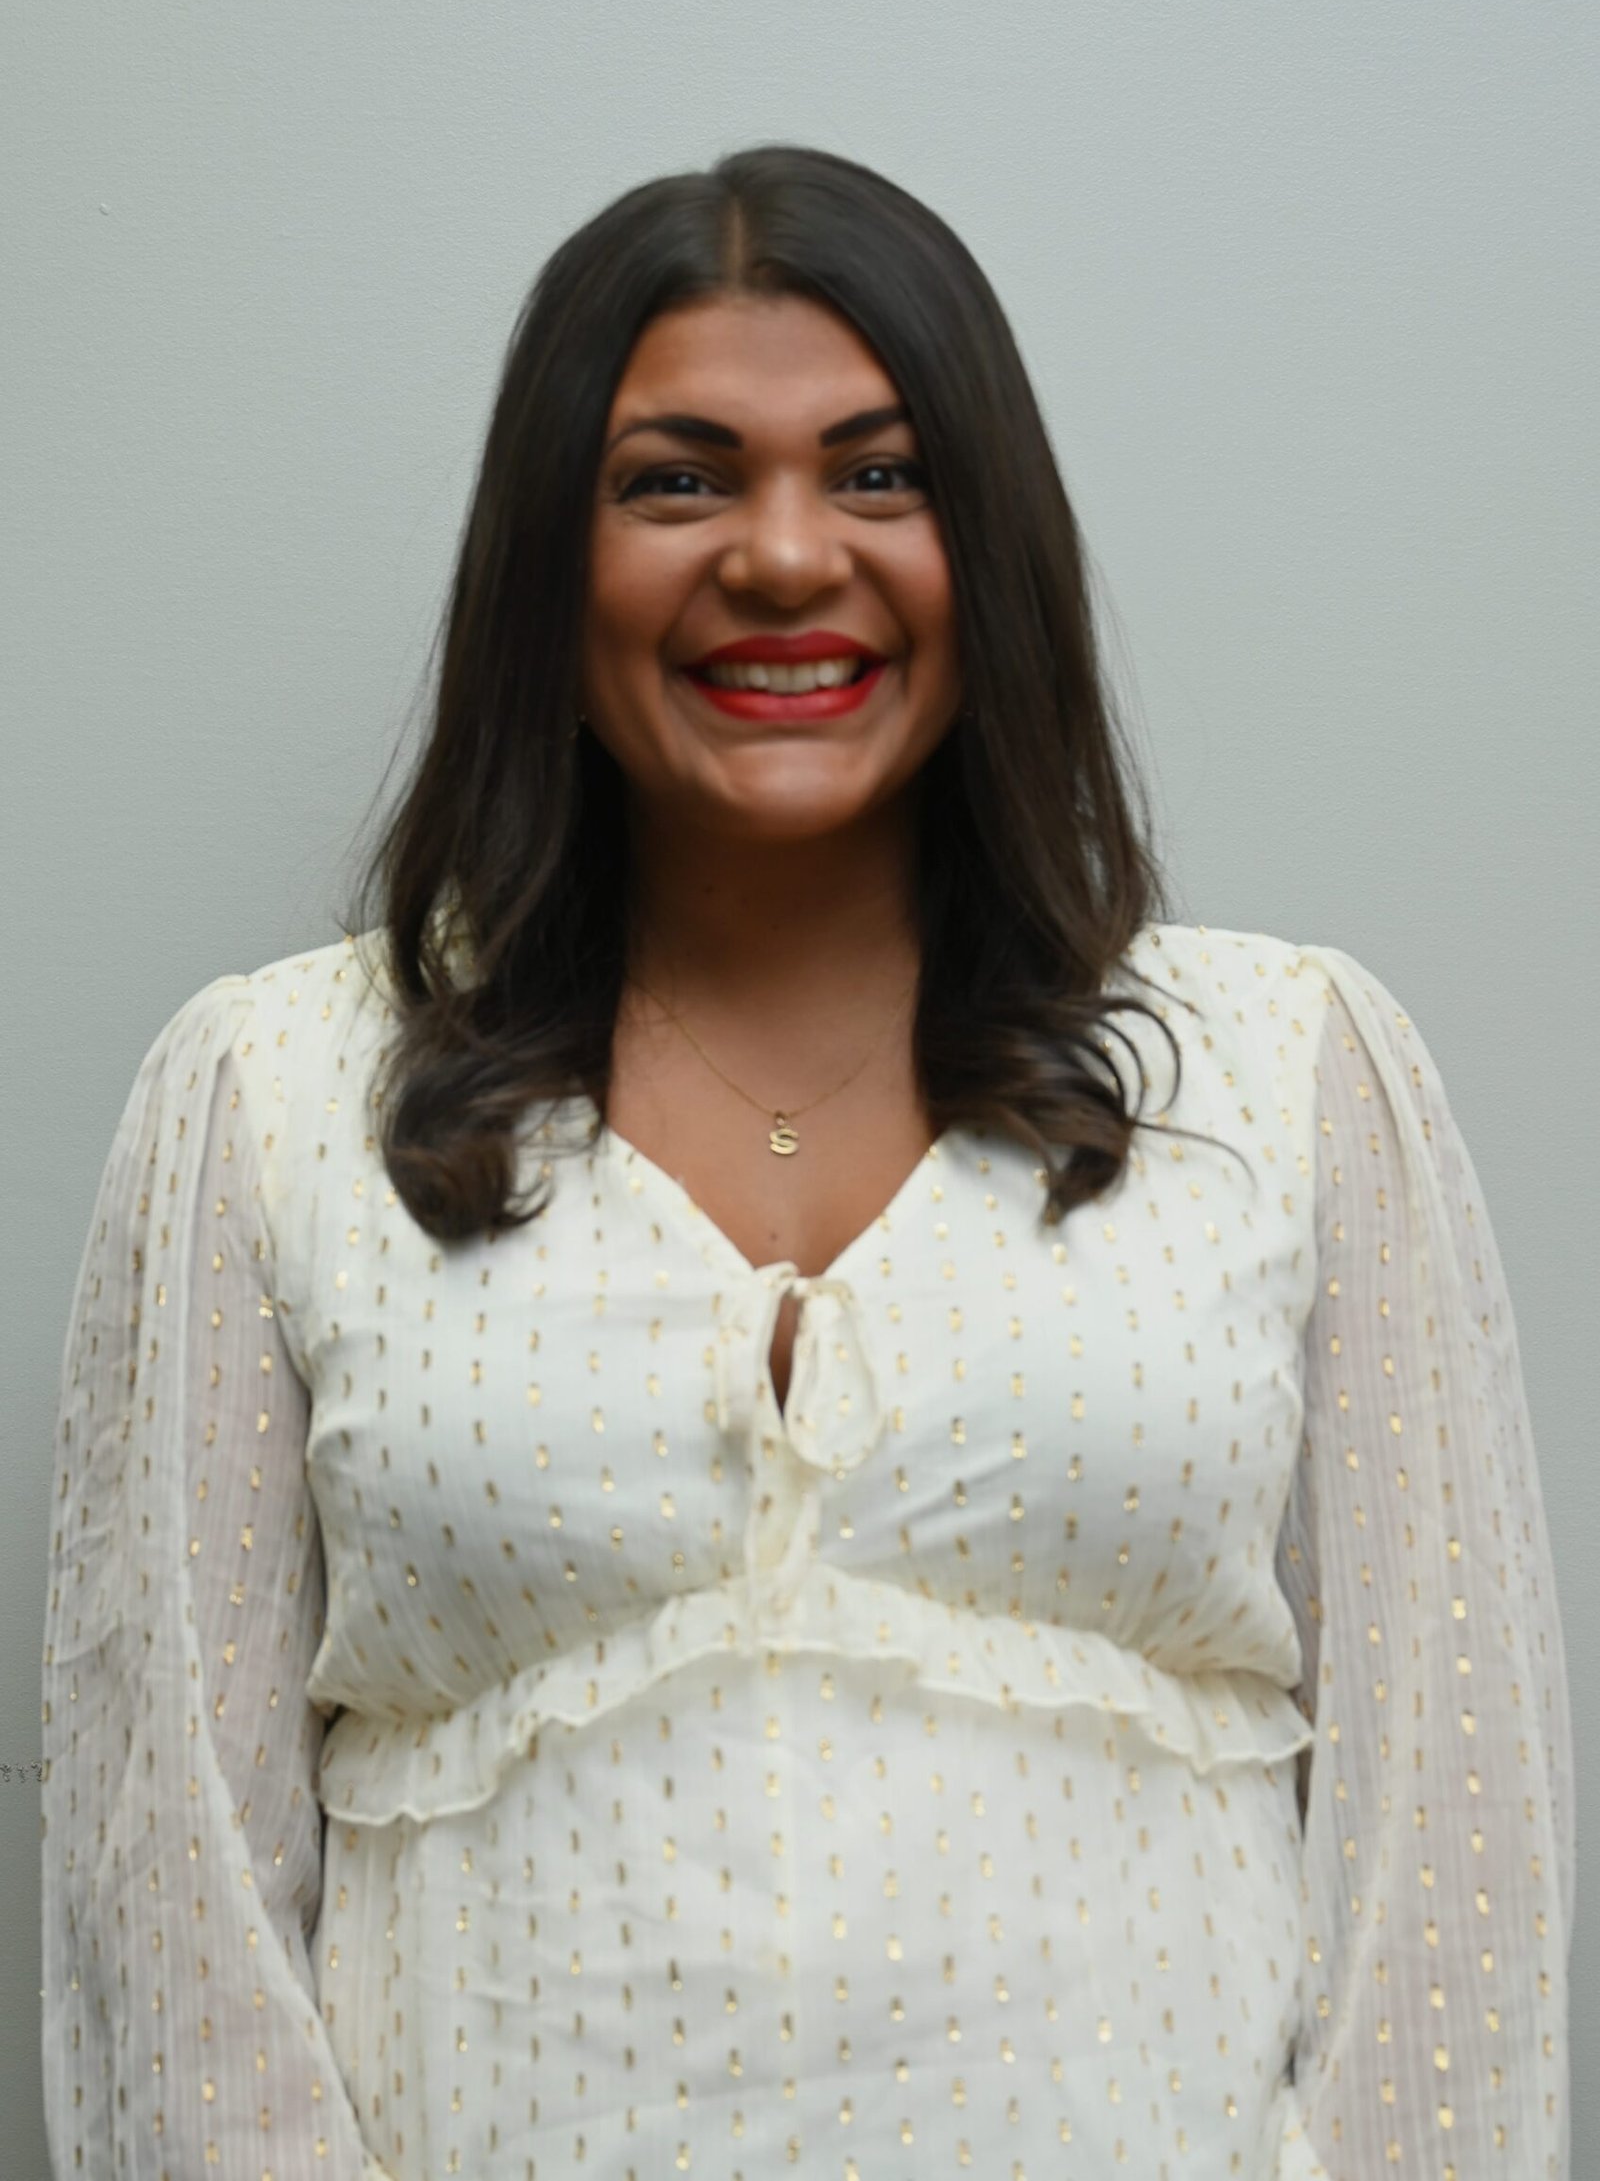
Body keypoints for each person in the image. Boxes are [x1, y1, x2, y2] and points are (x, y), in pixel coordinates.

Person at [41, 143, 1573, 2179]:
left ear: (990, 545)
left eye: (880, 474)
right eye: (676, 480)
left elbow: (1447, 1874)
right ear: (546, 560)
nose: (781, 556)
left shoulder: (1285, 1072)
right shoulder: (273, 1097)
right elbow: (172, 1904)